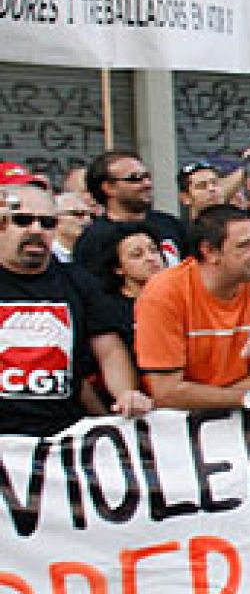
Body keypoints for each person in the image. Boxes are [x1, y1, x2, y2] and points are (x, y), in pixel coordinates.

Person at [0, 184, 151, 436]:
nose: (36, 230)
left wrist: (126, 393)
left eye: (47, 222)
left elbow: (109, 350)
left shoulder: (78, 282)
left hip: (60, 436)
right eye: (23, 220)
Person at [134, 204, 250, 417]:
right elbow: (166, 391)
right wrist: (249, 397)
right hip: (177, 427)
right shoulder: (164, 294)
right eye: (245, 246)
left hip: (241, 422)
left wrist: (204, 398)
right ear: (210, 252)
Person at [74, 149, 187, 274]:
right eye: (135, 178)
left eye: (147, 177)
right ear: (108, 188)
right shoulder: (92, 241)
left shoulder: (171, 225)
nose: (147, 184)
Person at [90, 223, 164, 354]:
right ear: (118, 268)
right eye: (137, 255)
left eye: (154, 250)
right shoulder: (109, 310)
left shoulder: (178, 300)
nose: (150, 258)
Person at [51, 191, 94, 264]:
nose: (87, 219)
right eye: (78, 214)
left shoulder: (93, 254)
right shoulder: (47, 254)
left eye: (90, 215)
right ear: (55, 218)